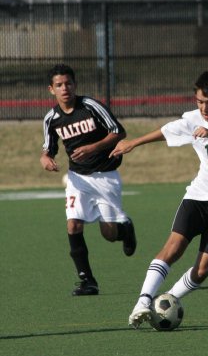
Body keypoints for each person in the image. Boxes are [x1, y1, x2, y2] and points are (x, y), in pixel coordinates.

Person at [110, 70, 208, 328]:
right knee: (173, 248)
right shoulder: (193, 119)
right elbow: (166, 131)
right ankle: (142, 302)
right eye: (200, 102)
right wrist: (133, 143)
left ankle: (169, 300)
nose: (204, 108)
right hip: (199, 195)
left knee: (202, 270)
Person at [40, 63, 136, 296]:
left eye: (68, 83)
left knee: (109, 233)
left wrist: (93, 147)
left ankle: (125, 230)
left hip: (106, 177)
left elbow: (118, 132)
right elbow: (48, 149)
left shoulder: (91, 106)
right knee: (73, 224)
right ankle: (87, 281)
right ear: (51, 89)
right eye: (59, 85)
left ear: (75, 85)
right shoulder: (51, 119)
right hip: (77, 178)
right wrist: (46, 159)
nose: (65, 89)